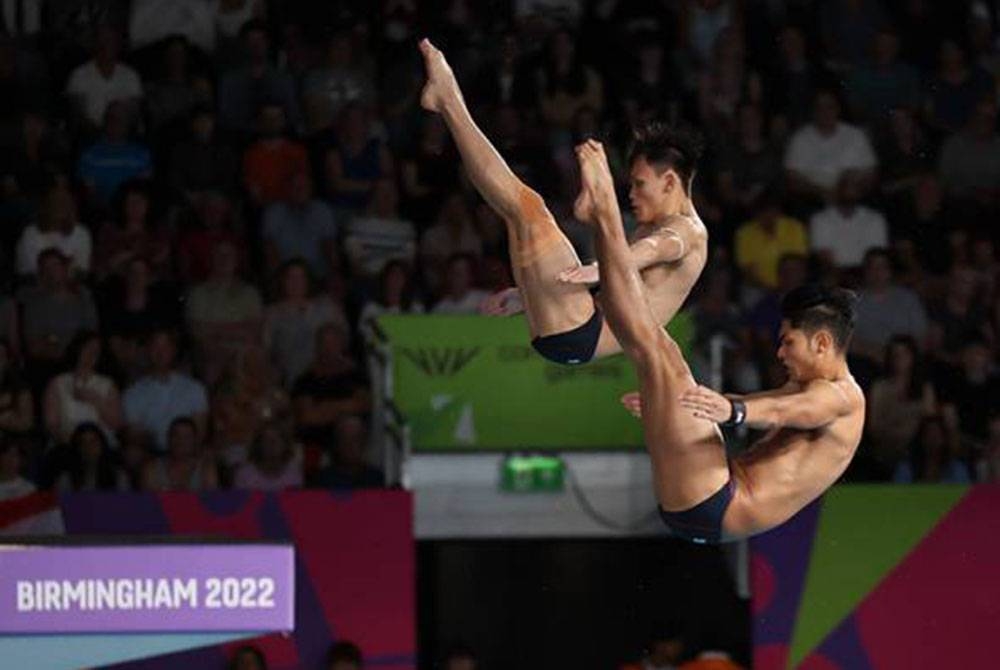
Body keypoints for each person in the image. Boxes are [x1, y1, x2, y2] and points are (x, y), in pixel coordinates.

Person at [577, 139, 863, 543]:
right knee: (655, 352)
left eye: (788, 343)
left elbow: (785, 411)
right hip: (705, 501)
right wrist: (674, 409)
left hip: (720, 500)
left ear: (821, 343)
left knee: (658, 346)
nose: (779, 352)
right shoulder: (807, 385)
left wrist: (730, 410)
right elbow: (756, 408)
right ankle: (600, 224)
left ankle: (603, 211)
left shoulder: (842, 399)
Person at [419, 39, 707, 366]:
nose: (632, 194)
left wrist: (598, 269)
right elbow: (625, 289)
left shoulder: (687, 232)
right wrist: (527, 297)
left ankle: (449, 99)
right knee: (516, 211)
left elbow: (653, 250)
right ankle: (447, 100)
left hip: (583, 329)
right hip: (575, 323)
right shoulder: (652, 224)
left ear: (670, 181)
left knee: (528, 208)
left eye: (640, 185)